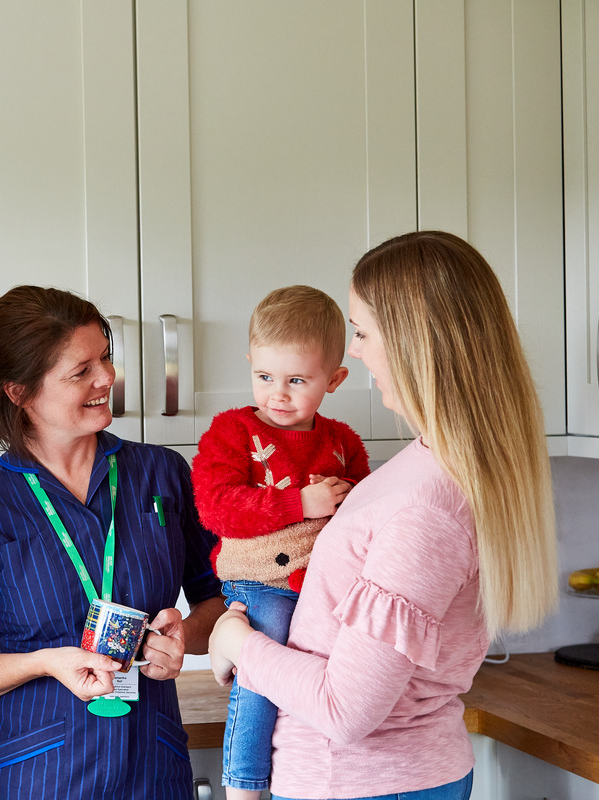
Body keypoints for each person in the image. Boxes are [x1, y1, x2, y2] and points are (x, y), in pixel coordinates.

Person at [209, 231, 558, 800]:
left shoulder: (426, 507)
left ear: (412, 342)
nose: (353, 350)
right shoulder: (429, 464)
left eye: (363, 331)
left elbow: (343, 709)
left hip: (363, 784)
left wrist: (235, 643)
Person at [0, 285, 227, 799]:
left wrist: (184, 638)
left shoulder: (163, 475)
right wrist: (44, 661)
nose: (107, 378)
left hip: (153, 769)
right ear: (19, 392)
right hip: (35, 777)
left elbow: (219, 602)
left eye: (105, 358)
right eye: (81, 371)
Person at [191, 285, 370, 800]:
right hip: (263, 583)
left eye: (297, 380)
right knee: (263, 668)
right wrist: (300, 504)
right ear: (250, 363)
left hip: (324, 587)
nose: (278, 394)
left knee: (331, 682)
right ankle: (244, 787)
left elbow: (361, 518)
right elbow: (216, 507)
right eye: (265, 376)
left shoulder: (343, 442)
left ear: (334, 379)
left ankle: (317, 772)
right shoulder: (232, 432)